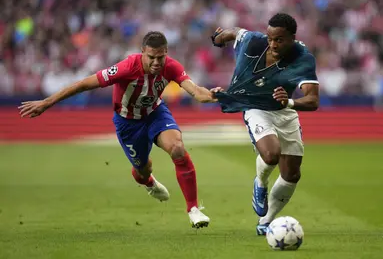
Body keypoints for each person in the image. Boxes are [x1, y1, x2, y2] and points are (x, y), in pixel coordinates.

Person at [19, 31, 217, 229]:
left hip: (155, 113)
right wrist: (46, 102)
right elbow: (83, 84)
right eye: (152, 57)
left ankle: (193, 210)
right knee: (142, 169)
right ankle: (148, 182)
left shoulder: (172, 67)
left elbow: (196, 92)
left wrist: (216, 95)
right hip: (128, 124)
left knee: (177, 148)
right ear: (142, 53)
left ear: (166, 53)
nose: (157, 62)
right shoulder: (127, 67)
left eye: (161, 57)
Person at [210, 13, 320, 235]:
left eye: (279, 39)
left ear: (292, 38)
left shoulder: (303, 58)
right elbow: (236, 32)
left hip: (284, 110)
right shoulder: (254, 41)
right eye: (270, 38)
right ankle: (260, 182)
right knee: (271, 155)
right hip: (254, 106)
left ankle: (266, 220)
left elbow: (312, 100)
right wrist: (219, 38)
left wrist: (289, 101)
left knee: (292, 174)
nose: (272, 44)